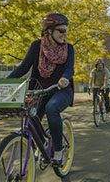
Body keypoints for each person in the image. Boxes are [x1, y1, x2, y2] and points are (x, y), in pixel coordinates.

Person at [7, 13, 74, 166]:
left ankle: (58, 150)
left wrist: (65, 78)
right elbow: (23, 67)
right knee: (32, 115)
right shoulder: (36, 46)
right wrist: (6, 82)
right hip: (38, 91)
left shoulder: (69, 48)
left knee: (51, 108)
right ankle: (38, 145)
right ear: (49, 31)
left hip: (61, 90)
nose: (65, 34)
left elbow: (69, 69)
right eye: (61, 31)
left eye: (66, 31)